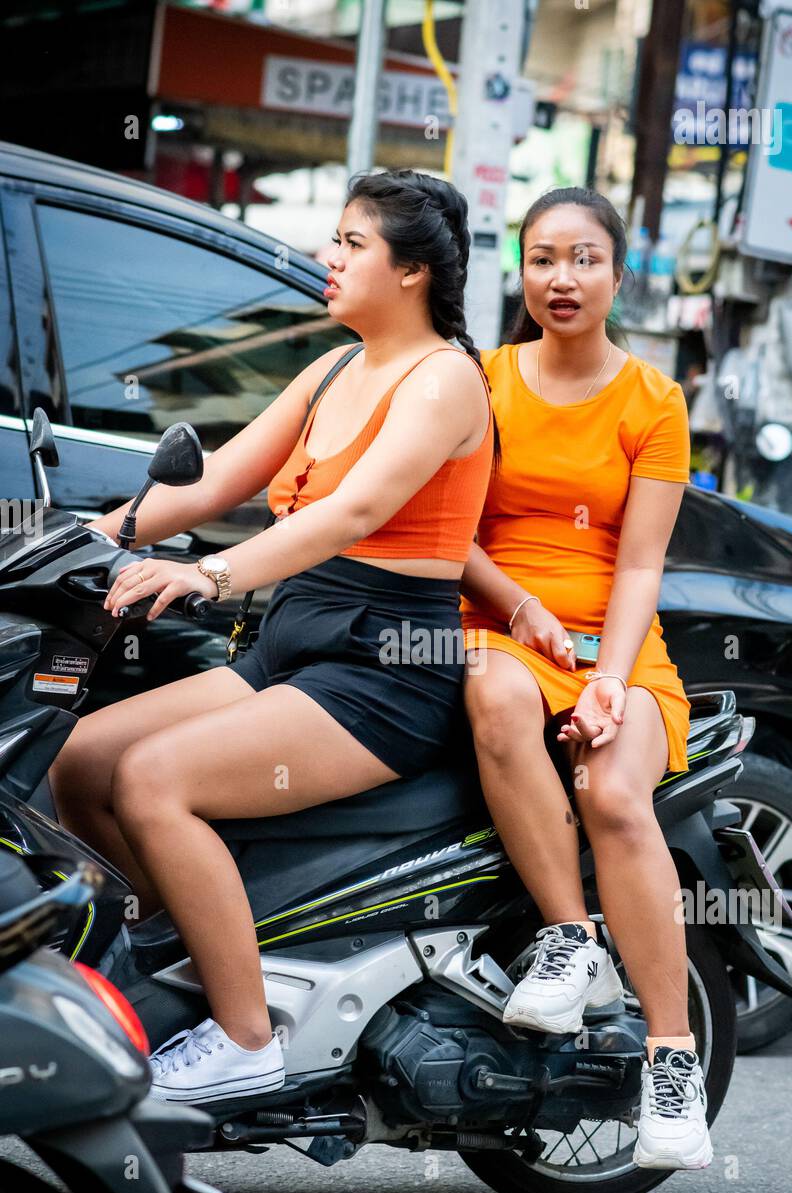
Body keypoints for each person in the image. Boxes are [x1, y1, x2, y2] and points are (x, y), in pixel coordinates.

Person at [48, 170, 496, 1104]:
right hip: (293, 644)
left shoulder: (445, 379)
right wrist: (76, 538)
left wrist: (206, 573)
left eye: (351, 244)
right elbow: (208, 483)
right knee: (79, 761)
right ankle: (187, 959)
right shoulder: (331, 368)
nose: (326, 260)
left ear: (412, 271)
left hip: (385, 670)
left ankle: (247, 1037)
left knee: (153, 779)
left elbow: (356, 509)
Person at [459, 186, 712, 1171]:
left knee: (612, 790)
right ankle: (570, 938)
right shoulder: (481, 382)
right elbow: (456, 538)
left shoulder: (653, 400)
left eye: (583, 259)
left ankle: (670, 1057)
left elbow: (640, 564)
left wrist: (608, 679)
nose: (560, 279)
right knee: (487, 687)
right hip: (500, 630)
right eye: (541, 259)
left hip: (618, 643)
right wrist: (519, 608)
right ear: (518, 272)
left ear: (615, 273)